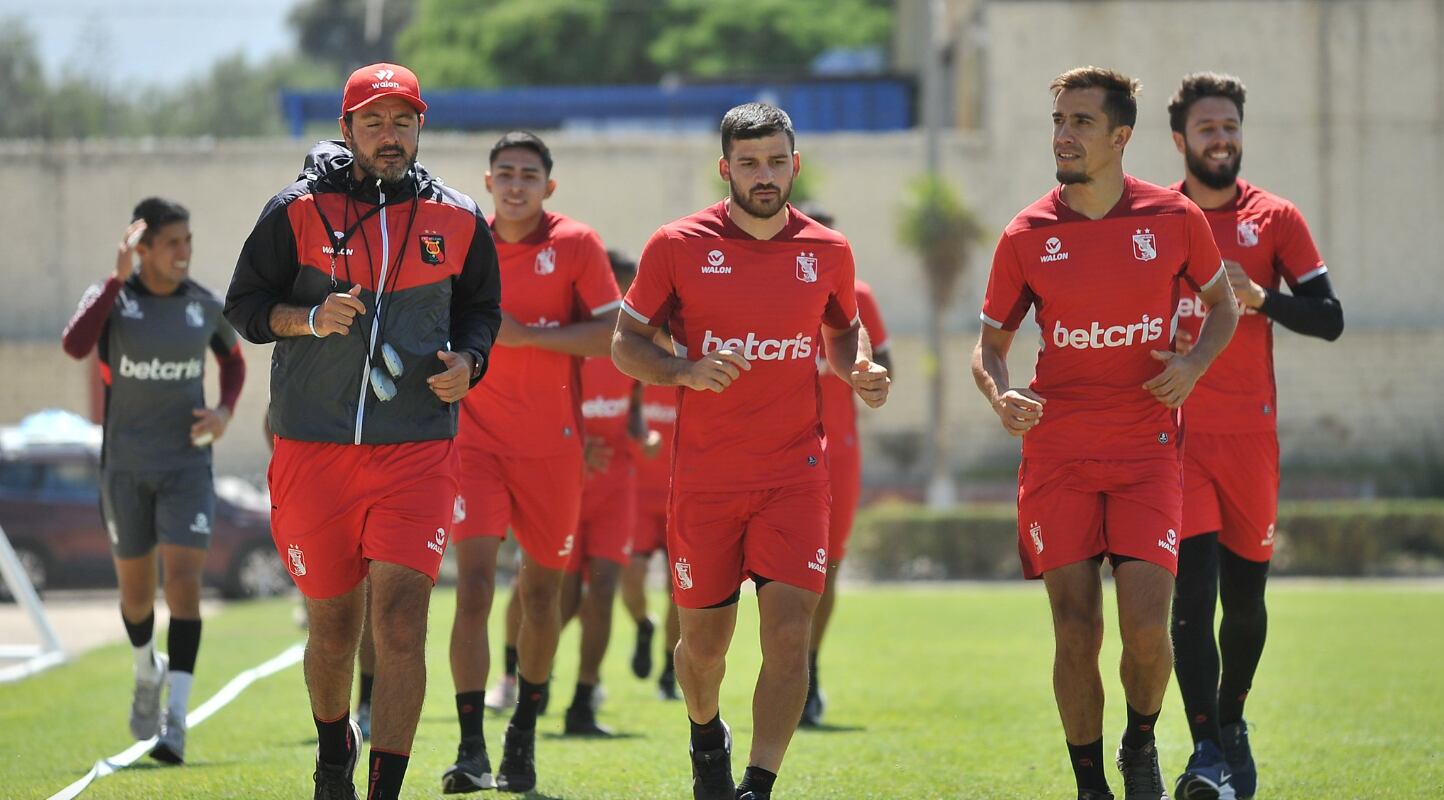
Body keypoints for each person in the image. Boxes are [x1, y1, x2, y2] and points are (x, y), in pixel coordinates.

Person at [224, 62, 501, 800]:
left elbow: (481, 311)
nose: (390, 135)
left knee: (403, 623)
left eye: (403, 120)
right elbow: (244, 308)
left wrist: (471, 361)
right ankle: (331, 755)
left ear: (421, 127)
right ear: (346, 130)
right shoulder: (295, 211)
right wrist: (306, 319)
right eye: (373, 121)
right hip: (312, 453)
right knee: (335, 625)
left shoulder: (460, 217)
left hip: (418, 450)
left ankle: (385, 788)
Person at [969, 67, 1239, 800]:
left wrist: (1193, 365)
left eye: (1081, 122)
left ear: (1121, 136)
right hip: (1056, 454)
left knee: (1148, 629)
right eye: (1058, 120)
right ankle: (1091, 783)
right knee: (1076, 629)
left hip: (1146, 450)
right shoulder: (1027, 233)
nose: (1063, 134)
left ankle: (1141, 741)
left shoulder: (1173, 219)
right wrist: (1001, 394)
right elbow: (989, 346)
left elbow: (1223, 308)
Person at [613, 102, 890, 800]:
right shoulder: (676, 245)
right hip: (706, 478)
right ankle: (708, 737)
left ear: (794, 163)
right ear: (725, 168)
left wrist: (860, 369)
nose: (763, 175)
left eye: (775, 161)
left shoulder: (828, 250)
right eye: (748, 163)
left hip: (796, 472)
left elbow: (843, 330)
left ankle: (758, 784)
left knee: (789, 634)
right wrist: (682, 371)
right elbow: (625, 343)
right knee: (703, 649)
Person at [1164, 72, 1344, 800]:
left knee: (1244, 604)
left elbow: (1329, 316)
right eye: (1208, 129)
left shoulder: (1277, 219)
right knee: (1191, 602)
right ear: (1180, 140)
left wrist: (1262, 297)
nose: (1222, 139)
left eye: (1230, 127)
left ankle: (1232, 721)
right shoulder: (1152, 218)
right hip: (1176, 440)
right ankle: (1204, 749)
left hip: (1250, 440)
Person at [448, 130, 622, 794]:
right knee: (472, 587)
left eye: (528, 174)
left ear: (549, 187)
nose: (515, 184)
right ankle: (470, 747)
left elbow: (612, 335)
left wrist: (529, 336)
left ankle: (523, 733)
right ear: (487, 182)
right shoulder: (464, 241)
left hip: (553, 448)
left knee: (542, 595)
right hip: (475, 443)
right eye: (504, 173)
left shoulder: (576, 245)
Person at [62, 197, 247, 766]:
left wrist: (224, 412)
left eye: (187, 240)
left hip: (186, 466)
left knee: (185, 584)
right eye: (171, 243)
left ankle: (177, 720)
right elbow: (74, 344)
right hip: (124, 468)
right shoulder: (113, 300)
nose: (184, 252)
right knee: (137, 596)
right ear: (139, 249)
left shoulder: (202, 305)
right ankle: (146, 670)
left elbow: (234, 361)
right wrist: (114, 281)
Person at [791, 204, 893, 728]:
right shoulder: (770, 291)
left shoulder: (859, 298)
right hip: (780, 445)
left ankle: (808, 668)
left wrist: (859, 367)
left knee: (828, 565)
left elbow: (884, 369)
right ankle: (786, 668)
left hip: (840, 449)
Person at [556, 250, 653, 735]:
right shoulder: (574, 346)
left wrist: (641, 433)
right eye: (612, 291)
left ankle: (583, 700)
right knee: (563, 600)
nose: (619, 302)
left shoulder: (633, 349)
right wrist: (574, 448)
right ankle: (525, 680)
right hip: (567, 490)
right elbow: (544, 413)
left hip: (618, 487)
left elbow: (631, 406)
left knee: (605, 592)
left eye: (626, 292)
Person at [621, 379, 681, 700]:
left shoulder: (692, 366)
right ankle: (644, 625)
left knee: (680, 591)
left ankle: (670, 671)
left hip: (681, 497)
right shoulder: (637, 367)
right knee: (631, 579)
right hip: (638, 499)